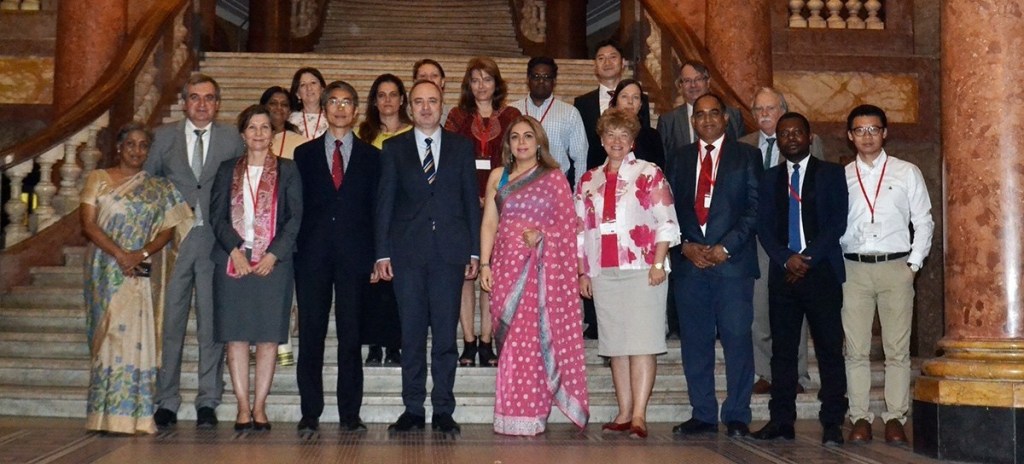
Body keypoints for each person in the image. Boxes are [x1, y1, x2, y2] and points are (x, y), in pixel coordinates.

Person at [375, 79, 481, 434]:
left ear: (441, 104)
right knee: (412, 336)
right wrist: (382, 253)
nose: (425, 107)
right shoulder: (394, 148)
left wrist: (474, 250)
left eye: (432, 101)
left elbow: (470, 201)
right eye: (419, 101)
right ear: (409, 106)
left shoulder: (461, 147)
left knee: (446, 338)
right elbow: (385, 203)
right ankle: (413, 409)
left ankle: (444, 409)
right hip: (408, 254)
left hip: (449, 253)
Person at [479, 116, 590, 435]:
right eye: (515, 137)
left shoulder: (553, 178)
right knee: (511, 342)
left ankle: (532, 412)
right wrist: (485, 264)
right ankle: (508, 412)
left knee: (531, 341)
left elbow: (567, 227)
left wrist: (542, 236)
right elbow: (489, 222)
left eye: (528, 136)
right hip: (506, 267)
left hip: (541, 273)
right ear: (508, 144)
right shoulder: (498, 176)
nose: (522, 142)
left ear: (539, 141)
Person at [145, 73, 244, 429]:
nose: (202, 104)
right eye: (195, 97)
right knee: (169, 322)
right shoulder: (163, 137)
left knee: (210, 324)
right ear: (185, 102)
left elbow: (241, 187)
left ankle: (208, 400)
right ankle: (166, 400)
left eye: (209, 98)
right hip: (173, 243)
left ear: (218, 103)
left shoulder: (232, 138)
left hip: (215, 243)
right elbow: (148, 184)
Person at [82, 122, 193, 434]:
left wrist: (140, 253)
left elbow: (170, 229)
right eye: (130, 144)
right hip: (106, 268)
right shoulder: (98, 179)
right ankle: (103, 415)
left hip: (140, 271)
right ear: (119, 147)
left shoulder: (159, 188)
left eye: (143, 145)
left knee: (137, 339)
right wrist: (120, 254)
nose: (136, 150)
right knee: (108, 337)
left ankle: (137, 416)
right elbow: (88, 224)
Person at [576, 108, 680, 439]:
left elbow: (667, 221)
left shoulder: (649, 173)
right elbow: (579, 231)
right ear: (602, 140)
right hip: (603, 271)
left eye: (624, 135)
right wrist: (583, 272)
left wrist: (658, 264)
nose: (617, 141)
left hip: (643, 268)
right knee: (615, 345)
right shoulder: (588, 180)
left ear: (633, 141)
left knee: (642, 343)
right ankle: (623, 412)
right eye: (610, 134)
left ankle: (639, 415)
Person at [750, 112, 848, 446]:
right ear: (777, 141)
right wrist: (785, 258)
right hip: (783, 275)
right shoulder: (769, 179)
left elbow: (837, 223)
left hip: (821, 273)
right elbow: (764, 227)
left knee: (829, 349)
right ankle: (781, 421)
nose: (790, 138)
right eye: (784, 134)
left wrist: (806, 258)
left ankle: (832, 421)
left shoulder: (832, 173)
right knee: (782, 352)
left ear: (809, 137)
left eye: (797, 132)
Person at [840, 104, 933, 446]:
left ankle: (895, 417)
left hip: (896, 267)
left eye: (874, 129)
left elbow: (923, 220)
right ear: (850, 136)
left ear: (885, 133)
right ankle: (859, 417)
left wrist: (914, 266)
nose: (867, 136)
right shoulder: (841, 176)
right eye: (860, 130)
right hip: (853, 269)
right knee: (856, 350)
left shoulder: (906, 172)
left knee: (897, 350)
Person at [669, 93, 761, 438]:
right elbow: (667, 208)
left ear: (725, 118)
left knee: (737, 340)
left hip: (732, 266)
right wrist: (684, 244)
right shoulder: (679, 157)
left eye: (714, 113)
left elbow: (755, 208)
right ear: (692, 121)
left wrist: (726, 247)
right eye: (700, 114)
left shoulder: (747, 156)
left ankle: (737, 414)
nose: (707, 120)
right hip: (690, 266)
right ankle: (703, 413)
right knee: (695, 343)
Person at [293, 81, 381, 433]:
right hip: (311, 256)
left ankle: (349, 413)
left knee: (351, 335)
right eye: (334, 101)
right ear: (324, 108)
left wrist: (377, 256)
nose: (340, 108)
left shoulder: (373, 157)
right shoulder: (304, 154)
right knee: (311, 335)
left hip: (355, 256)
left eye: (347, 102)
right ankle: (309, 412)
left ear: (356, 111)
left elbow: (377, 210)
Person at [209, 105, 302, 432]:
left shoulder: (288, 170)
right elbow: (216, 216)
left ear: (273, 134)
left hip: (273, 263)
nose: (259, 133)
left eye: (265, 127)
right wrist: (234, 250)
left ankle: (260, 407)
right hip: (233, 261)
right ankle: (242, 408)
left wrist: (274, 254)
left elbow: (295, 218)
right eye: (252, 127)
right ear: (242, 134)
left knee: (267, 337)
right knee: (235, 336)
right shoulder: (226, 170)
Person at [739, 87, 823, 395]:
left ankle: (796, 374)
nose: (764, 114)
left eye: (770, 108)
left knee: (795, 311)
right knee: (759, 310)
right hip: (758, 241)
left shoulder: (810, 142)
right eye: (758, 109)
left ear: (783, 110)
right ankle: (765, 372)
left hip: (795, 241)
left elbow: (817, 189)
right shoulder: (743, 145)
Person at [444, 57, 521, 368]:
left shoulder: (512, 116)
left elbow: (520, 159)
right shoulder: (457, 116)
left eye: (487, 79)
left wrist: (495, 196)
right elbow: (447, 160)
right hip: (462, 208)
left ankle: (487, 341)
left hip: (502, 207)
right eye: (475, 80)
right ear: (468, 84)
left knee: (492, 273)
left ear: (497, 83)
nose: (481, 86)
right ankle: (468, 340)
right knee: (466, 274)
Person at [356, 74, 412, 367]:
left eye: (393, 94)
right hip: (369, 217)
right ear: (374, 101)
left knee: (398, 286)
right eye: (381, 95)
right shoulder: (362, 135)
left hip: (404, 219)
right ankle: (374, 346)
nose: (387, 100)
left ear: (402, 99)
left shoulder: (414, 133)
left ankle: (394, 345)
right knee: (373, 285)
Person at [509, 56, 588, 188]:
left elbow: (581, 158)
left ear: (554, 81)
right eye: (536, 76)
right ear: (527, 79)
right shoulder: (512, 110)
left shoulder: (569, 113)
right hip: (518, 186)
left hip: (556, 186)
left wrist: (577, 193)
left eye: (546, 77)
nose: (541, 81)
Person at [574, 39, 652, 171]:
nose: (607, 62)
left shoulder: (640, 99)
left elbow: (645, 138)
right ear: (595, 65)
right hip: (596, 171)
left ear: (623, 63)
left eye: (613, 57)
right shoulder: (582, 103)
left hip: (633, 172)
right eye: (601, 58)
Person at [657, 61, 744, 179]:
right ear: (680, 85)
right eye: (687, 81)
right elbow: (663, 163)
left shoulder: (732, 115)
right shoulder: (668, 121)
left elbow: (741, 154)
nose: (693, 85)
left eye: (698, 79)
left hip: (725, 181)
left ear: (708, 82)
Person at [609, 79, 665, 168]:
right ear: (615, 102)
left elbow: (659, 169)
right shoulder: (604, 134)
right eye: (624, 96)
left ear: (640, 104)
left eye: (635, 97)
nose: (630, 101)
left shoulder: (653, 137)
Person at [261, 86, 305, 160]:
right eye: (273, 103)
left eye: (284, 104)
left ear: (289, 111)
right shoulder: (253, 138)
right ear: (263, 107)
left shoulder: (300, 143)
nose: (279, 107)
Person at [288, 67, 329, 140]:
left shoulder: (332, 117)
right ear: (297, 93)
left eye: (313, 83)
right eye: (303, 84)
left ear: (322, 89)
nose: (309, 88)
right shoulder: (290, 120)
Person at [413, 59, 450, 124]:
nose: (429, 80)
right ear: (415, 81)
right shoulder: (404, 114)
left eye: (434, 76)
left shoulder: (453, 115)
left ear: (442, 82)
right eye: (423, 76)